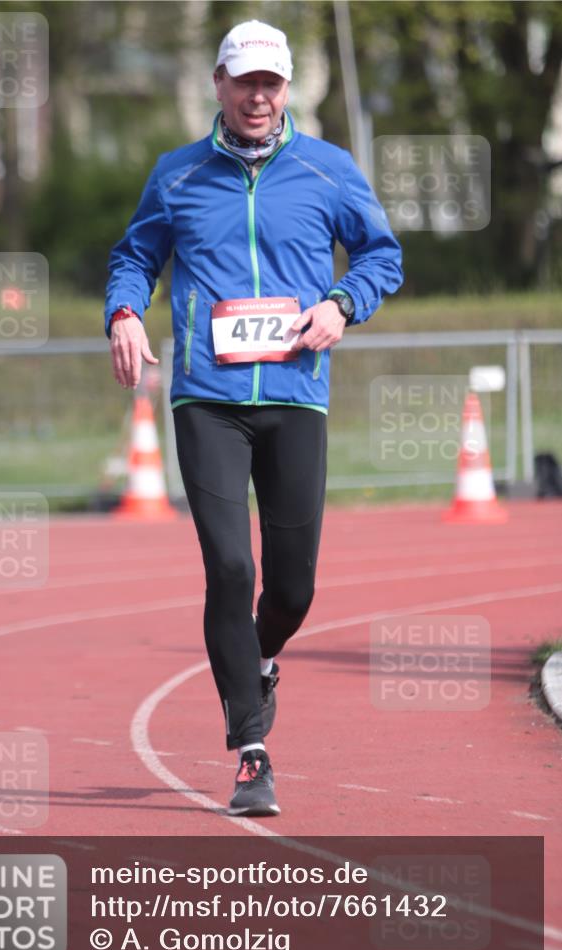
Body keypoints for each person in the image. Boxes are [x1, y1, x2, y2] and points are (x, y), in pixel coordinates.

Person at [105, 20, 403, 816]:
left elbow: (381, 254)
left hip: (296, 393)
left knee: (292, 589)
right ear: (219, 85)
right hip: (206, 398)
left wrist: (343, 304)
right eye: (245, 82)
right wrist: (126, 312)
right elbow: (135, 255)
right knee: (230, 570)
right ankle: (251, 749)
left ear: (287, 86)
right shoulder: (177, 175)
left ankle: (255, 661)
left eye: (271, 82)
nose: (259, 96)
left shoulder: (327, 169)